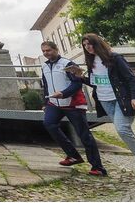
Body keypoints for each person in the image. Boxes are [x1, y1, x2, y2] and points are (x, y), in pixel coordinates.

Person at [72, 33, 135, 182]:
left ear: (97, 43)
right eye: (84, 45)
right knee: (125, 131)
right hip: (105, 101)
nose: (87, 47)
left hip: (121, 100)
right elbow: (97, 83)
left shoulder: (114, 58)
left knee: (122, 129)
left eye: (89, 44)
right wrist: (81, 77)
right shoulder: (91, 62)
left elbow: (131, 78)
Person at [39, 40, 106, 176]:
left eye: (48, 50)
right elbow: (45, 86)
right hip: (54, 103)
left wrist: (63, 94)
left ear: (56, 49)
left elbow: (77, 83)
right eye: (44, 51)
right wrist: (46, 103)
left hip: (73, 103)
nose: (46, 53)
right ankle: (73, 155)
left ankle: (97, 167)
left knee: (83, 134)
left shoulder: (68, 64)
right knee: (49, 124)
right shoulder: (44, 67)